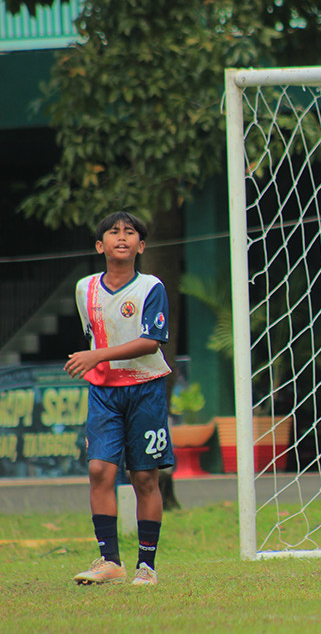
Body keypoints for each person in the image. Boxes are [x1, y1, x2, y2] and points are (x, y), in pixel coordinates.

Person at [67, 211, 173, 587]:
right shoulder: (85, 288)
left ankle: (147, 565)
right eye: (114, 232)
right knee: (99, 470)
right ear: (101, 246)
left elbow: (150, 341)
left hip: (145, 388)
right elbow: (92, 332)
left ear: (141, 246)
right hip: (104, 392)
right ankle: (109, 560)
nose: (122, 237)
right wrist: (97, 360)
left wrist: (96, 355)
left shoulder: (151, 287)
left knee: (144, 476)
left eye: (130, 233)